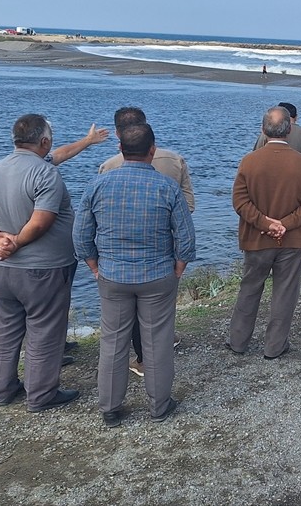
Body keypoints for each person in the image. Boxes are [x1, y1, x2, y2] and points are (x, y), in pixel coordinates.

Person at [74, 123, 195, 427]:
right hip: (157, 274)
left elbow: (80, 235)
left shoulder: (98, 184)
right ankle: (159, 405)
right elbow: (186, 238)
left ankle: (111, 408)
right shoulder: (167, 187)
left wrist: (93, 265)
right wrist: (178, 268)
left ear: (120, 148)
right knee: (157, 341)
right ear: (152, 151)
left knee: (113, 342)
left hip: (112, 275)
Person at [0, 114, 79, 413]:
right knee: (45, 330)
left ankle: (3, 389)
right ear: (43, 141)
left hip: (1, 270)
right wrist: (14, 242)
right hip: (43, 269)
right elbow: (42, 221)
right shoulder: (45, 174)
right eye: (51, 138)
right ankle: (41, 395)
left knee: (6, 331)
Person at [100, 107, 195, 378]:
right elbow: (189, 204)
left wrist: (94, 262)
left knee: (123, 316)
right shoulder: (175, 160)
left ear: (118, 137)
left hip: (118, 256)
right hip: (165, 248)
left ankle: (140, 359)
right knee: (160, 309)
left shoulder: (108, 168)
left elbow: (96, 217)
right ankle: (156, 367)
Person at [230, 107, 301, 359]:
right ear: (290, 129)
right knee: (285, 293)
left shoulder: (250, 161)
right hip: (292, 240)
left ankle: (238, 341)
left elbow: (239, 201)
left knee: (249, 288)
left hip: (256, 238)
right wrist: (286, 223)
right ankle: (274, 346)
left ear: (263, 130)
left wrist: (265, 223)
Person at [100, 107, 195, 213]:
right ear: (146, 129)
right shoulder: (176, 160)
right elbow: (188, 206)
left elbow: (102, 207)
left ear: (117, 133)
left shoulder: (108, 166)